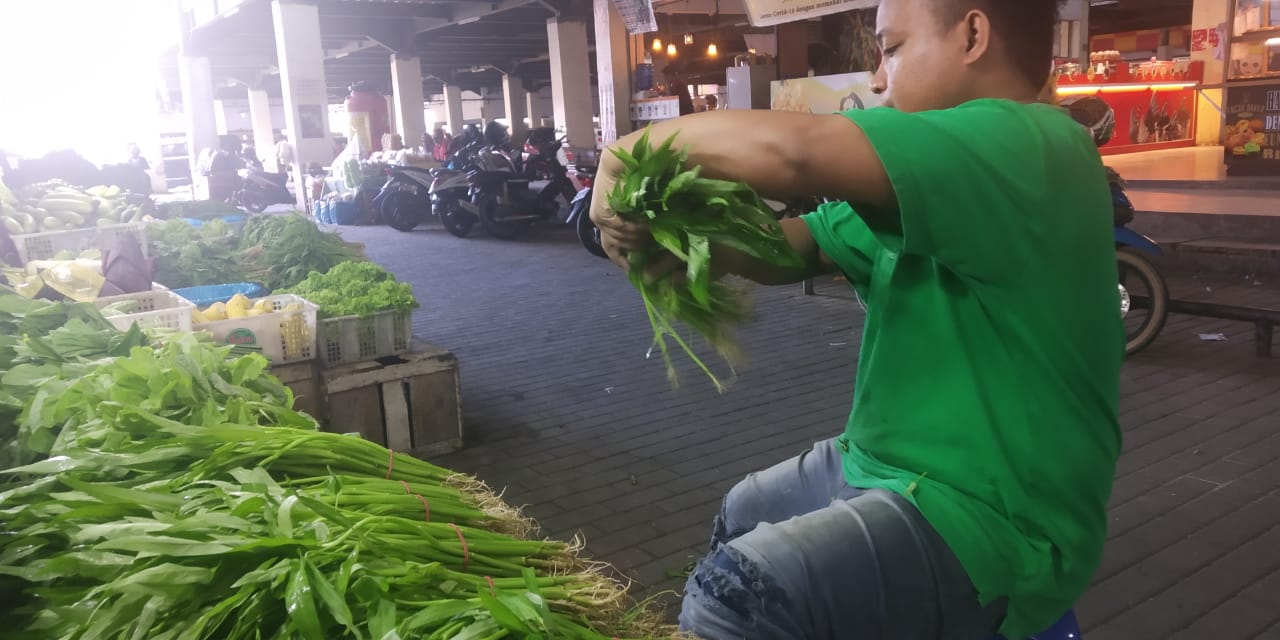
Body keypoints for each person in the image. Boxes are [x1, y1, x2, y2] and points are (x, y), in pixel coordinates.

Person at [588, 1, 1122, 639]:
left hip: (996, 515)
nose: (875, 79)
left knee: (735, 594)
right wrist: (683, 246)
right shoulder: (936, 179)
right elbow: (796, 246)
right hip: (881, 466)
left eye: (891, 49)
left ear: (973, 35)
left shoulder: (1032, 145)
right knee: (742, 515)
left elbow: (794, 153)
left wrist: (625, 154)